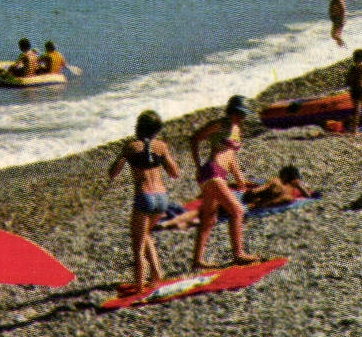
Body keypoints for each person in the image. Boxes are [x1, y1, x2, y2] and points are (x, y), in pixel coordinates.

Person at [108, 110, 181, 292]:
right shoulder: (161, 146)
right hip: (161, 198)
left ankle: (140, 285)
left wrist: (124, 155)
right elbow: (175, 173)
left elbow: (112, 173)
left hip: (144, 196)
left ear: (138, 127)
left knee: (138, 244)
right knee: (146, 234)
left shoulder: (131, 147)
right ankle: (156, 274)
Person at [189, 96, 262, 270]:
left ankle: (197, 260)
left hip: (219, 174)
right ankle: (239, 254)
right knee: (237, 211)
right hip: (212, 171)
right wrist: (198, 165)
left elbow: (231, 157)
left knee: (209, 218)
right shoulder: (220, 124)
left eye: (244, 114)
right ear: (232, 111)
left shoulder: (236, 129)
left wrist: (241, 181)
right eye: (240, 113)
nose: (242, 117)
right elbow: (194, 138)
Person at [244, 165, 312, 211]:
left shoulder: (277, 182)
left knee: (267, 188)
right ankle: (255, 199)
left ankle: (254, 198)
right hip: (265, 197)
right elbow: (308, 196)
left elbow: (264, 188)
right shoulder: (281, 186)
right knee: (275, 191)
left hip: (263, 196)